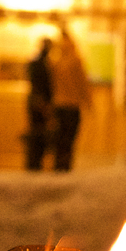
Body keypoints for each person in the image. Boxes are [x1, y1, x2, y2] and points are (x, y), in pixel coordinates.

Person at [48, 20, 91, 171]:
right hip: (72, 106)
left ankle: (58, 166)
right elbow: (83, 84)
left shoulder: (56, 62)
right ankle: (65, 167)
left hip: (59, 105)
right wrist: (88, 102)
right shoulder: (76, 61)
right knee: (69, 140)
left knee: (59, 139)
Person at [25, 37, 53, 170]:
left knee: (37, 133)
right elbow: (41, 85)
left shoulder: (38, 61)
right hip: (38, 102)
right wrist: (43, 103)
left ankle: (34, 163)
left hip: (36, 101)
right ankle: (34, 164)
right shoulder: (40, 63)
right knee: (38, 134)